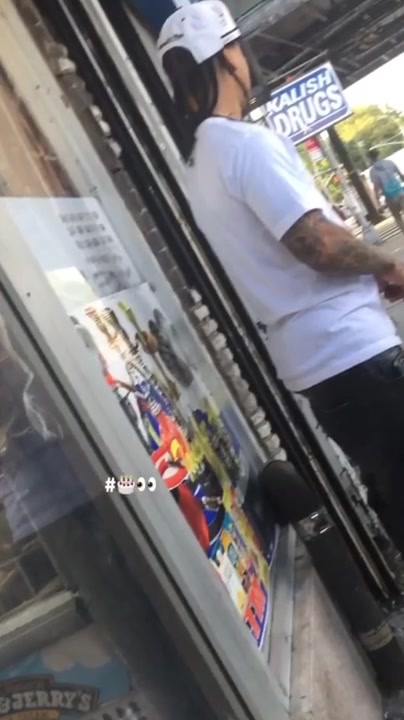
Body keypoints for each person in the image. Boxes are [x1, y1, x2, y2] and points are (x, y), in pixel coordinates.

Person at [157, 0, 404, 556]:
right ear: (228, 57)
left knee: (393, 490)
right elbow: (317, 243)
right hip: (354, 354)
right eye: (238, 48)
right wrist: (387, 264)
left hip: (320, 368)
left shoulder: (199, 166)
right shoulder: (242, 144)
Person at [369, 148, 404, 233]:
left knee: (397, 217)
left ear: (370, 158)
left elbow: (376, 187)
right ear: (378, 155)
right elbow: (401, 175)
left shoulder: (373, 171)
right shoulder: (389, 163)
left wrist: (377, 201)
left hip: (390, 197)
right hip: (400, 192)